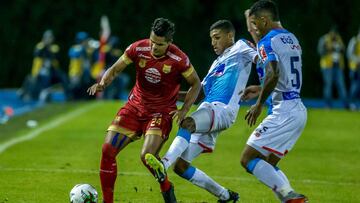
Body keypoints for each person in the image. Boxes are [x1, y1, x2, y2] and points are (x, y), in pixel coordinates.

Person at [87, 18, 201, 203]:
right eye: (152, 41)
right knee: (108, 149)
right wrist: (102, 83)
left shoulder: (179, 59)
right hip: (134, 107)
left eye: (160, 44)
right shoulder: (138, 48)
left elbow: (196, 84)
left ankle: (166, 186)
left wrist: (184, 109)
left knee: (147, 157)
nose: (154, 47)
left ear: (169, 43)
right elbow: (115, 69)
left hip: (161, 113)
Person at [144, 20, 257, 202]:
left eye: (217, 38)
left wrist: (261, 88)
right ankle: (226, 195)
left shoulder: (241, 46)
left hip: (223, 110)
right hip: (209, 110)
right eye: (211, 39)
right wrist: (167, 93)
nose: (213, 43)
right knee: (181, 167)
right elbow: (198, 95)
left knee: (187, 122)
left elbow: (262, 59)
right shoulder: (216, 64)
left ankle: (163, 164)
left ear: (230, 36)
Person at [240, 1, 308, 202]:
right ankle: (292, 199)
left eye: (255, 23)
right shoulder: (291, 38)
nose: (254, 28)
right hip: (298, 109)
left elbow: (274, 73)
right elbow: (285, 77)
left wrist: (259, 103)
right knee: (266, 164)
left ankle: (289, 195)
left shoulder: (267, 42)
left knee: (248, 159)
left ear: (264, 20)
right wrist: (261, 89)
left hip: (284, 112)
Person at [18, 29, 69, 101]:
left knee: (63, 77)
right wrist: (34, 74)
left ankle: (68, 95)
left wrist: (48, 49)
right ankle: (29, 93)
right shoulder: (40, 47)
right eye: (47, 38)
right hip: (41, 71)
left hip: (52, 71)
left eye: (50, 38)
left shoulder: (54, 48)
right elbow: (37, 60)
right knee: (39, 77)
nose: (48, 39)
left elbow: (55, 58)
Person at [317, 26, 348, 108]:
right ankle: (328, 105)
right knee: (328, 85)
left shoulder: (338, 39)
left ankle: (346, 105)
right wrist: (329, 49)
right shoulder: (324, 39)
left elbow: (344, 50)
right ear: (330, 33)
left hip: (338, 66)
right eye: (333, 33)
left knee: (341, 85)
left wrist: (340, 49)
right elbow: (320, 51)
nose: (334, 35)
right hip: (327, 66)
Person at [68, 31, 94, 100]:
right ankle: (71, 99)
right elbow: (73, 54)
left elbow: (90, 55)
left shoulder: (87, 49)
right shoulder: (75, 48)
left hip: (83, 72)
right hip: (75, 72)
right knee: (75, 87)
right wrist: (83, 48)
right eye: (85, 40)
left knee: (85, 86)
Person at [347, 27, 360, 110]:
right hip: (355, 67)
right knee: (354, 86)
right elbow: (349, 54)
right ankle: (351, 103)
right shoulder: (354, 40)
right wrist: (358, 60)